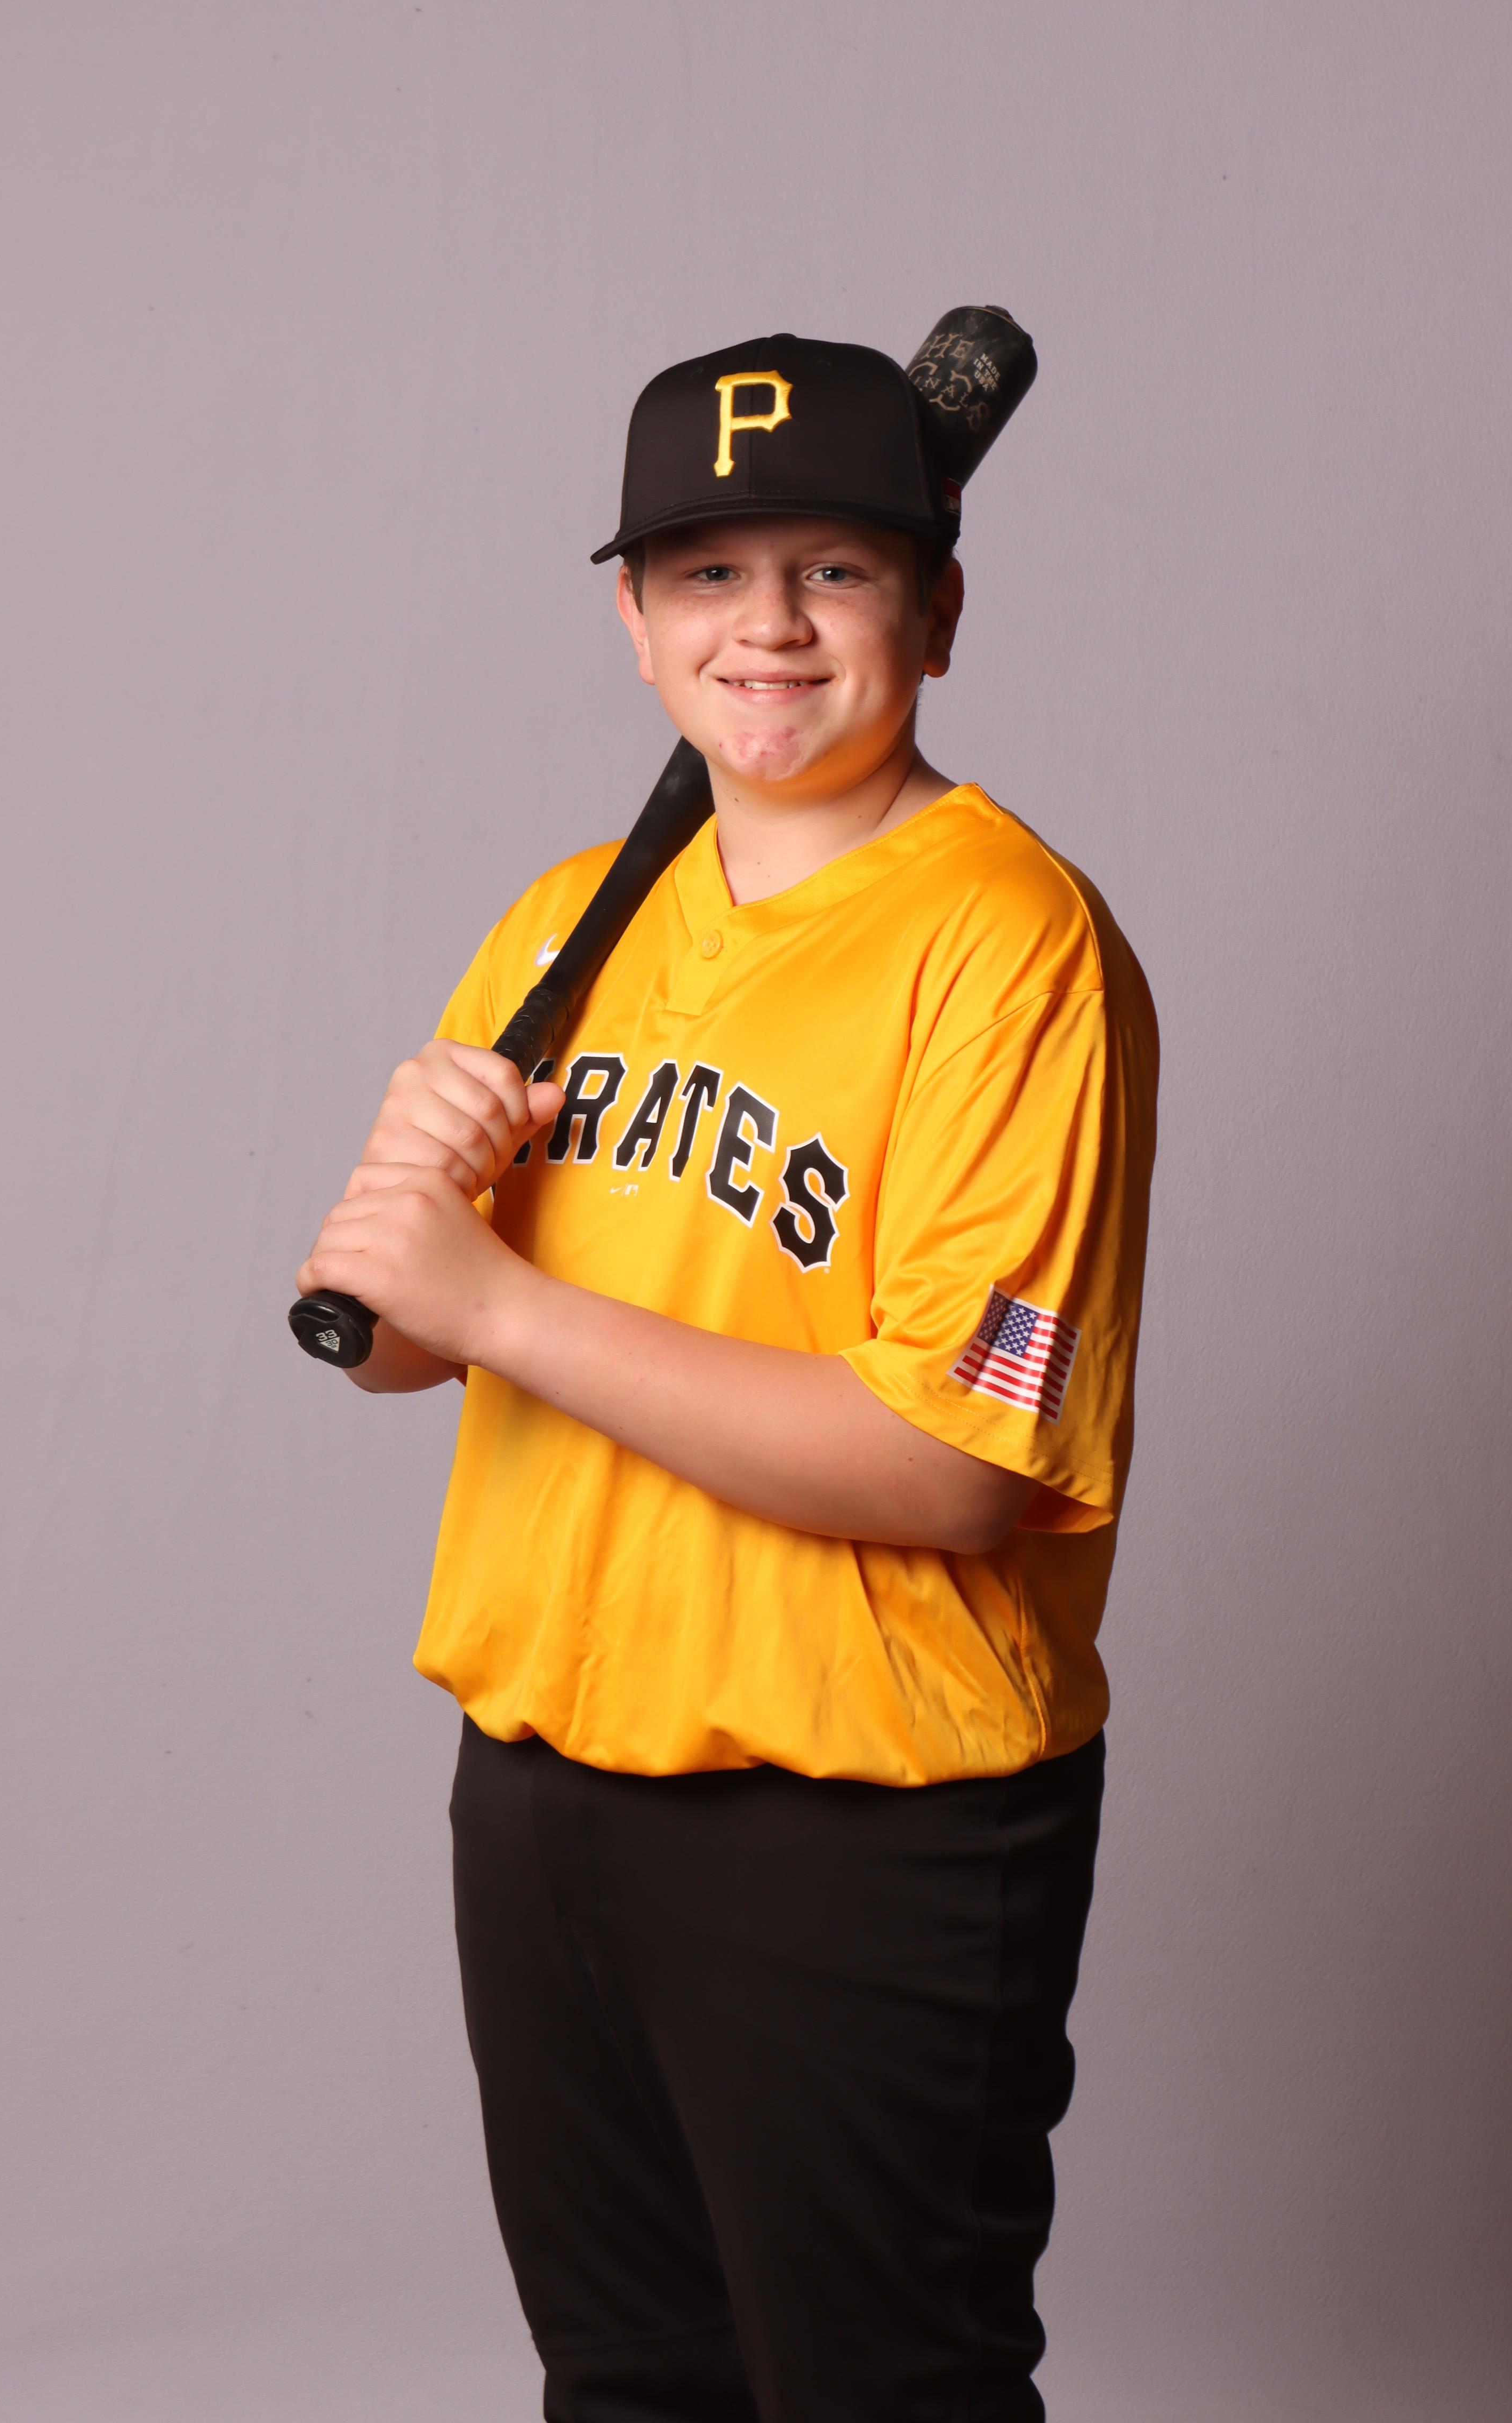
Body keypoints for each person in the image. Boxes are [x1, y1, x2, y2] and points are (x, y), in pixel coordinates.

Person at [296, 330, 1159, 2423]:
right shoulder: (567, 925)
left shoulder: (1008, 944)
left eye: (834, 569)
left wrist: (497, 1308)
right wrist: (410, 1225)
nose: (764, 626)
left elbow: (954, 1461)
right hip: (541, 1788)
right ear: (632, 616)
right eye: (705, 574)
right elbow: (401, 1343)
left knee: (879, 2394)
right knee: (627, 2390)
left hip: (859, 1814)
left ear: (938, 607)